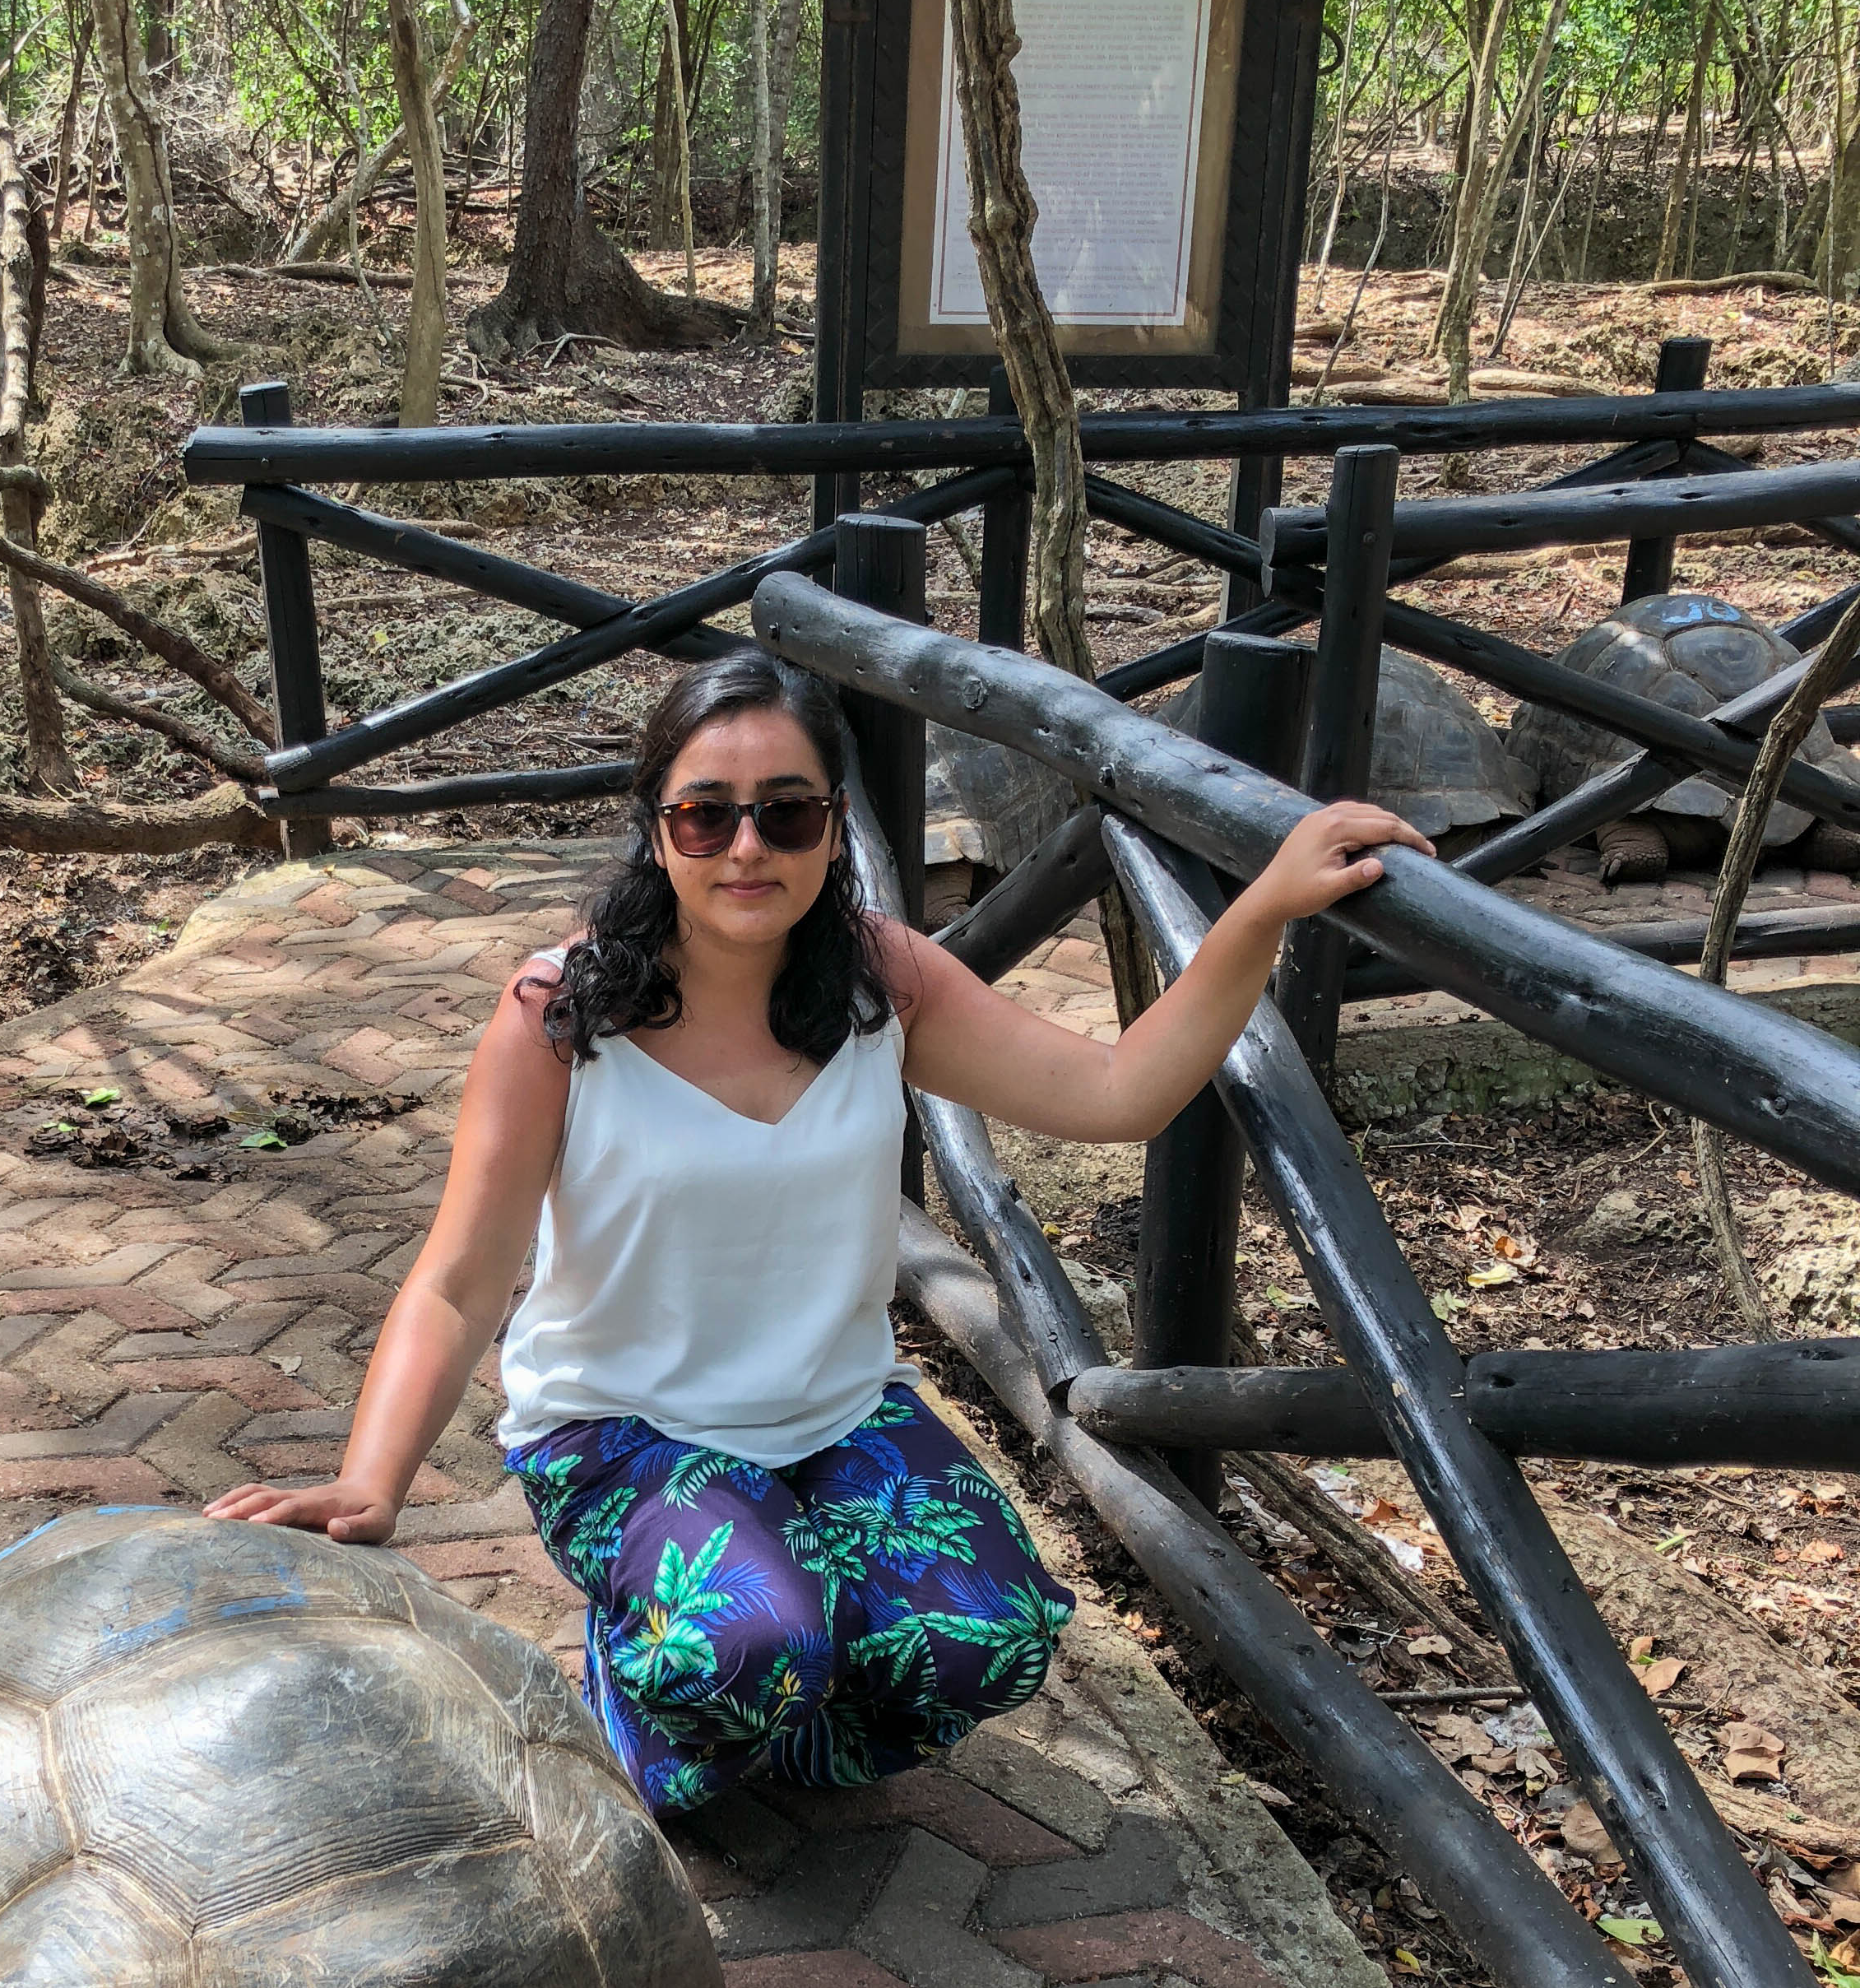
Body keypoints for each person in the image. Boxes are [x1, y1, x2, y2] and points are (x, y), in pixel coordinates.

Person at [207, 647, 1426, 1810]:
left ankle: (779, 1712)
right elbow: (461, 1280)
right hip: (623, 1430)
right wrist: (373, 1482)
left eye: (787, 813)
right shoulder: (562, 1016)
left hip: (836, 1416)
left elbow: (1116, 1097)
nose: (748, 847)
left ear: (836, 825)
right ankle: (654, 1703)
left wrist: (1262, 910)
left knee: (987, 1642)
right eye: (707, 813)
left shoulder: (880, 982)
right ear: (656, 824)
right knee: (750, 1649)